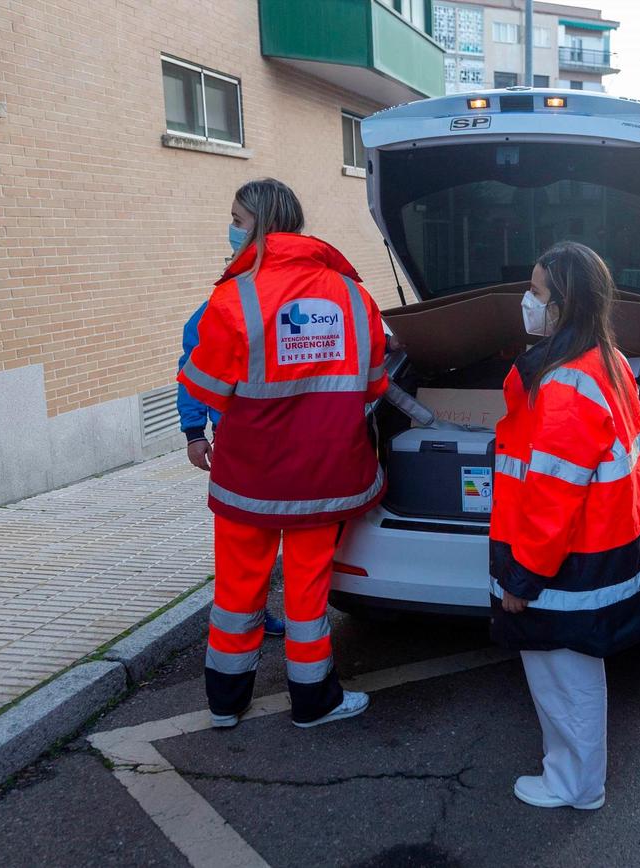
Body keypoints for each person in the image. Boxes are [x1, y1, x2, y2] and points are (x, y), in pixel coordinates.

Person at [179, 178, 389, 729]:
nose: (232, 230)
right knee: (307, 593)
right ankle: (313, 701)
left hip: (250, 475)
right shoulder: (352, 295)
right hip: (323, 474)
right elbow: (372, 386)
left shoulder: (232, 297)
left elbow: (203, 388)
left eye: (238, 220)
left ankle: (226, 702)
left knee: (236, 591)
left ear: (263, 224)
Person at [489, 241, 640, 810]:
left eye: (537, 292)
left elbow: (551, 497)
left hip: (565, 566)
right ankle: (574, 776)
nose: (527, 301)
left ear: (564, 305)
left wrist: (521, 577)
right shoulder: (607, 361)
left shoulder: (565, 384)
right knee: (575, 677)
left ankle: (573, 784)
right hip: (600, 553)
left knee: (562, 680)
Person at [176, 226, 285, 639]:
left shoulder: (290, 307)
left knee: (266, 540)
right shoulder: (213, 312)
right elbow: (191, 375)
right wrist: (193, 433)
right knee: (245, 544)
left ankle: (252, 617)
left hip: (279, 441)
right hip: (237, 445)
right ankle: (248, 618)